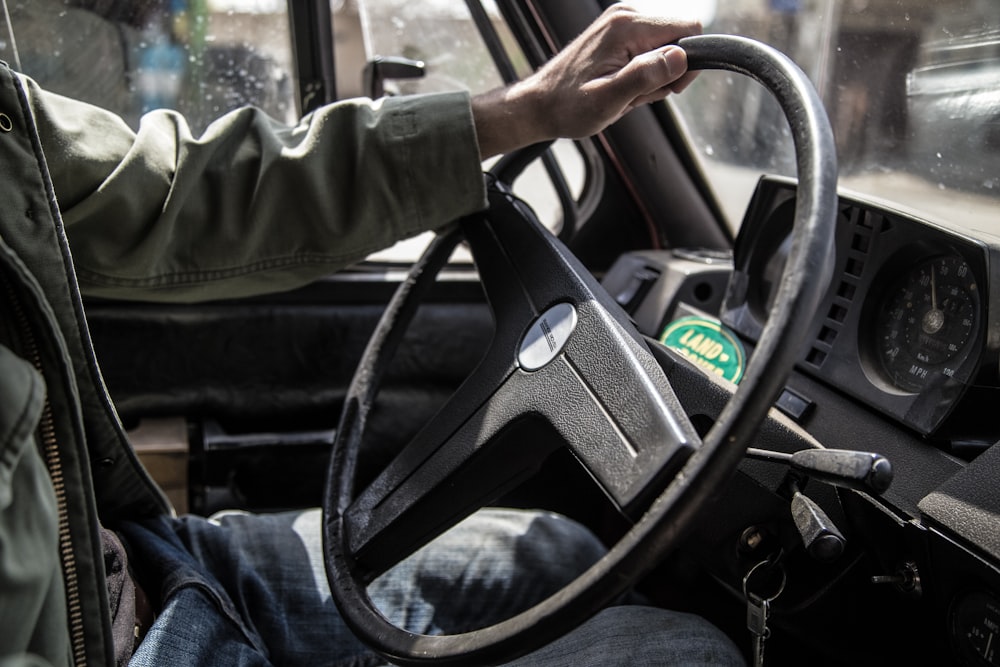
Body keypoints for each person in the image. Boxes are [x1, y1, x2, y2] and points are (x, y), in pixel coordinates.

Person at [0, 4, 745, 666]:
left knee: (561, 550)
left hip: (133, 566)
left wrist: (523, 111)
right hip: (117, 645)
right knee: (691, 651)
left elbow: (183, 194)